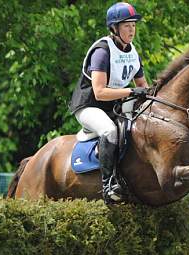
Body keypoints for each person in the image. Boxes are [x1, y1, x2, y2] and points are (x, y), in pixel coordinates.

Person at [68, 2, 149, 204]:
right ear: (114, 28)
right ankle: (109, 184)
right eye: (126, 26)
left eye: (133, 25)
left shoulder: (132, 52)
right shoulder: (102, 52)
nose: (132, 30)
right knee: (109, 131)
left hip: (114, 105)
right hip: (89, 105)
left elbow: (143, 87)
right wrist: (132, 91)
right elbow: (100, 92)